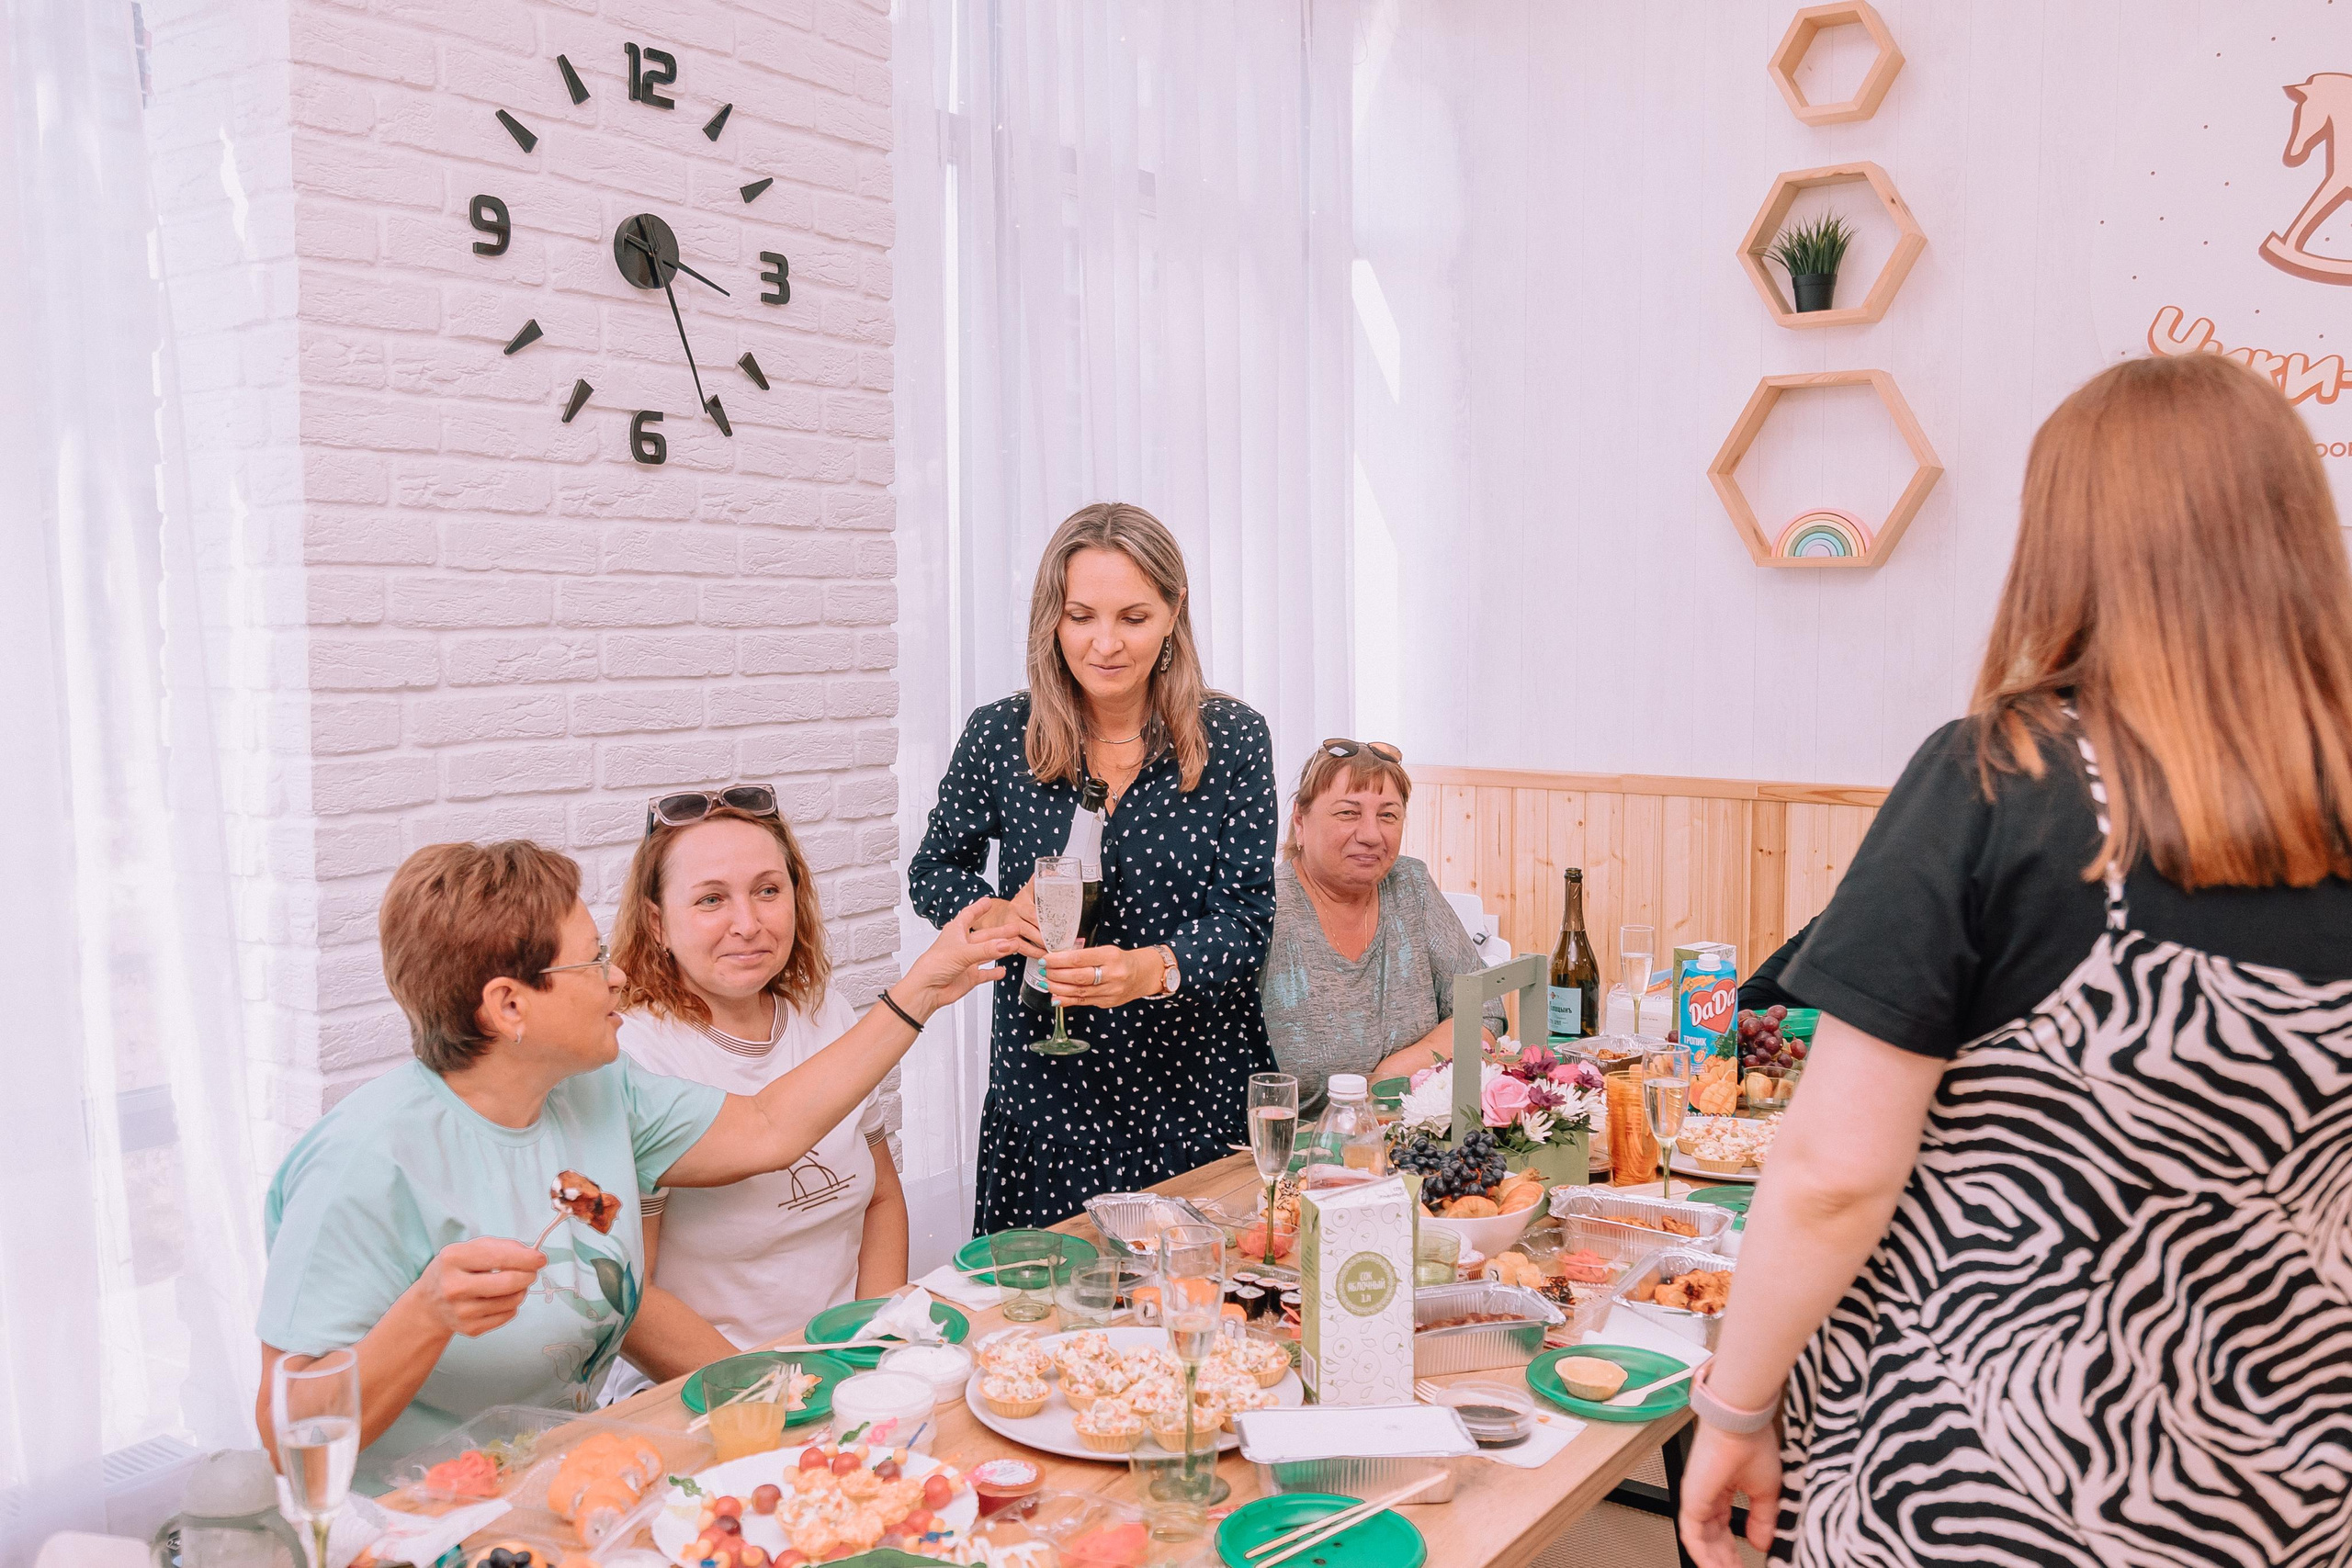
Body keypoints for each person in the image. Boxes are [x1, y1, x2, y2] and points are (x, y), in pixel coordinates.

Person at [1678, 353, 2352, 1567]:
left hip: (1986, 1479)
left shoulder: (2000, 777)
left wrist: (1735, 1402)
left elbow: (1834, 1171)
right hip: (2282, 1492)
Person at [254, 839, 1013, 1486]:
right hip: (415, 1521)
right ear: (509, 1006)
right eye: (593, 961)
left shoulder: (596, 1091)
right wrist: (425, 1316)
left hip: (564, 1479)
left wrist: (923, 989)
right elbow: (291, 1439)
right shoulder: (362, 1162)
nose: (619, 976)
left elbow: (769, 1124)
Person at [908, 502, 1279, 1232]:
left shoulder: (1233, 739)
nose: (1105, 643)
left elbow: (1248, 919)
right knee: (1042, 1329)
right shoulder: (997, 735)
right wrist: (994, 914)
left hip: (1195, 1100)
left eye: (1133, 617)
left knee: (1196, 1325)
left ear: (1175, 612)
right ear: (1054, 617)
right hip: (1046, 1104)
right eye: (1082, 616)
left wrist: (1152, 969)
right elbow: (934, 869)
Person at [605, 787, 908, 1383]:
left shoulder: (827, 1013)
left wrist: (873, 1349)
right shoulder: (634, 1054)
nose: (748, 923)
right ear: (656, 922)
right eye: (711, 899)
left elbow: (881, 1198)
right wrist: (781, 1395)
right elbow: (628, 1297)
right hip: (709, 1393)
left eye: (768, 890)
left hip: (842, 1377)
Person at [1259, 739, 1504, 1116]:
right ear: (1300, 821)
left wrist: (1390, 1075)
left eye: (1388, 815)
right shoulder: (1263, 909)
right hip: (1290, 1155)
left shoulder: (1410, 885)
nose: (1371, 835)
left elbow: (1483, 1010)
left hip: (1413, 1135)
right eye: (1347, 813)